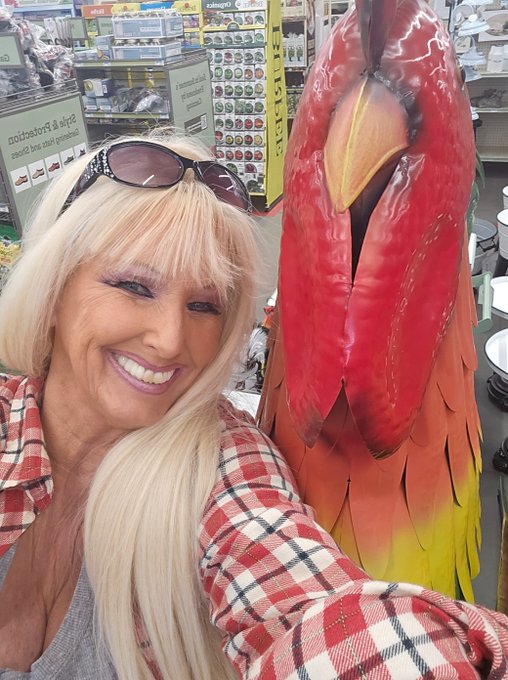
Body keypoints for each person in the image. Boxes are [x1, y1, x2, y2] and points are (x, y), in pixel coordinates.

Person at [0, 132, 506, 680]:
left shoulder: (223, 465)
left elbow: (300, 596)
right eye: (134, 287)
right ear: (53, 285)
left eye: (204, 305)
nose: (170, 340)